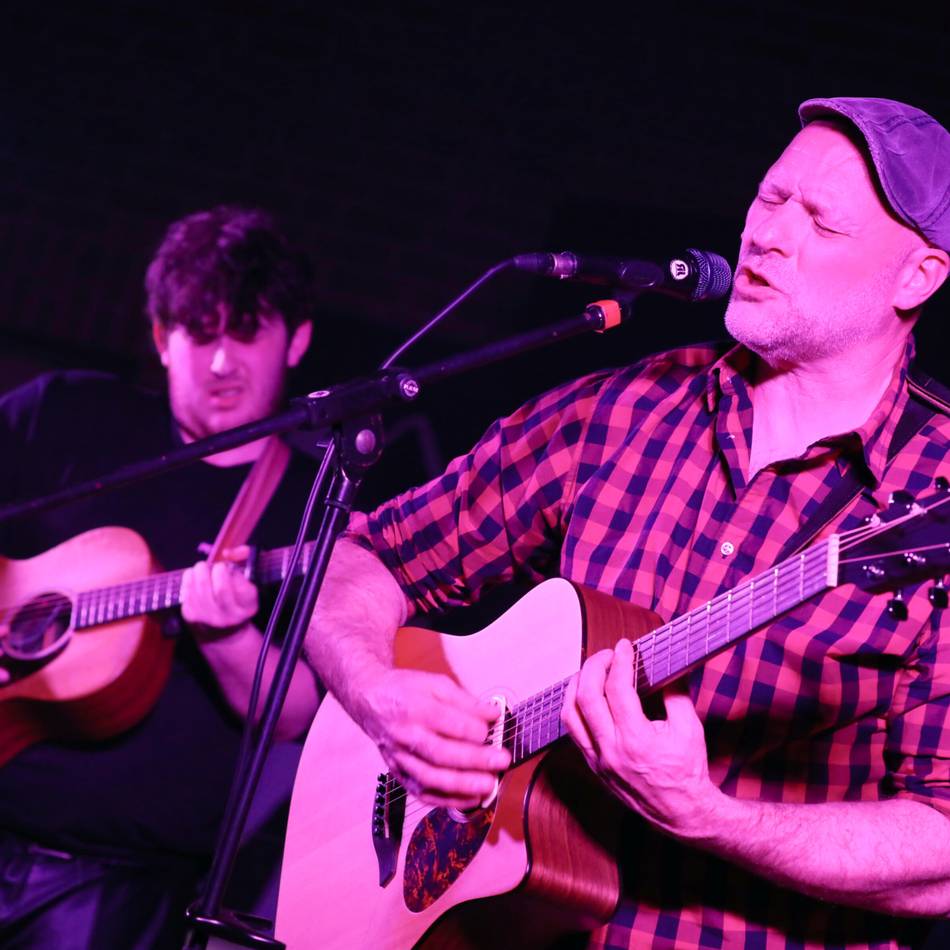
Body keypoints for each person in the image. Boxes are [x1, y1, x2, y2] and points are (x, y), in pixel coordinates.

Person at [303, 97, 950, 948]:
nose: (767, 235)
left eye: (822, 222)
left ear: (917, 278)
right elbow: (356, 562)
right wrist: (377, 693)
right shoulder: (624, 410)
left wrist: (710, 818)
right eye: (770, 197)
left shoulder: (932, 493)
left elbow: (941, 853)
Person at [0, 205, 322, 948]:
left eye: (247, 332)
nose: (220, 362)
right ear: (159, 336)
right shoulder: (65, 413)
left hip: (113, 895)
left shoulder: (313, 504)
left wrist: (228, 636)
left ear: (297, 340)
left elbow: (297, 710)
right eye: (199, 332)